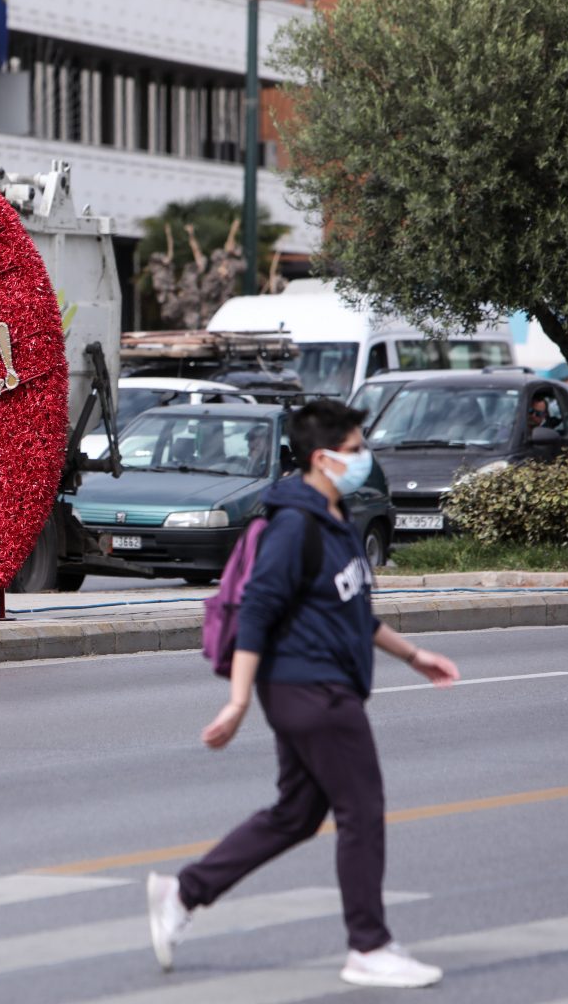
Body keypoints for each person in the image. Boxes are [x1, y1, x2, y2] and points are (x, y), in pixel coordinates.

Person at [146, 399, 460, 989]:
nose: (365, 457)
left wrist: (414, 656)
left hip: (317, 683)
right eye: (356, 449)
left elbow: (350, 611)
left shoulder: (333, 516)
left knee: (297, 812)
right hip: (309, 688)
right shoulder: (294, 525)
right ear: (323, 458)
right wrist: (237, 702)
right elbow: (257, 610)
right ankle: (368, 946)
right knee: (361, 810)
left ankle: (184, 892)